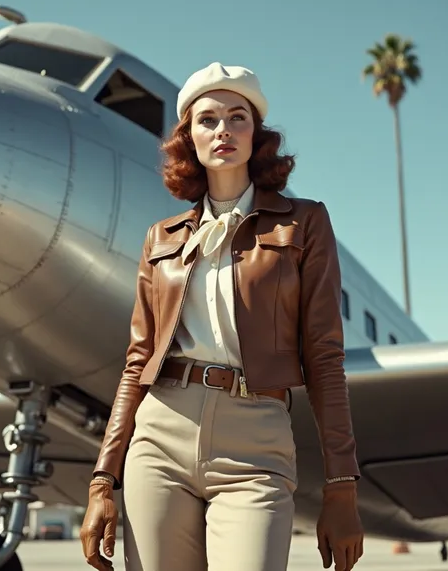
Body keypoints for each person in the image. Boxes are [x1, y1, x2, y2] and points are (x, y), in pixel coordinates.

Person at [80, 62, 364, 571]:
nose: (223, 130)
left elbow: (324, 356)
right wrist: (103, 479)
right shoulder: (161, 238)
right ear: (189, 136)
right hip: (160, 436)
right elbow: (137, 361)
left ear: (257, 135)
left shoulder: (305, 223)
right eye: (207, 119)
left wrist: (342, 484)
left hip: (255, 440)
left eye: (238, 118)